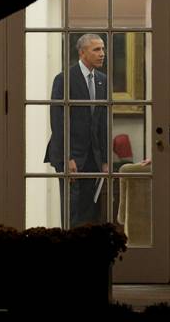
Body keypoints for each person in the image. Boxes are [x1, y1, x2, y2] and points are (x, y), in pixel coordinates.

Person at [44, 34, 108, 228]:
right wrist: (68, 156)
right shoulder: (64, 79)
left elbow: (103, 123)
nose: (102, 54)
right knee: (72, 210)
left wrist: (105, 159)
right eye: (96, 49)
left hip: (93, 156)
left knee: (90, 211)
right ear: (82, 52)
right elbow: (58, 121)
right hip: (70, 155)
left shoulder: (102, 80)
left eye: (103, 49)